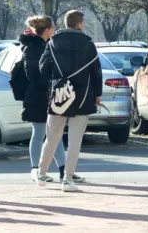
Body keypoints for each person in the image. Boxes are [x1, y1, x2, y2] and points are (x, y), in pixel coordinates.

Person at [33, 10, 102, 192]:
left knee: (52, 137)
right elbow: (96, 72)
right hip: (83, 96)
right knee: (75, 140)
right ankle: (68, 179)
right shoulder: (88, 44)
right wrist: (98, 94)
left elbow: (43, 68)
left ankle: (41, 173)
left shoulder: (53, 42)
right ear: (80, 24)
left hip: (59, 95)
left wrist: (56, 80)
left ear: (66, 23)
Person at [20, 15, 85, 184]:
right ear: (47, 29)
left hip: (49, 95)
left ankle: (64, 169)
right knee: (40, 132)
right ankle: (36, 169)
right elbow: (34, 75)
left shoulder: (46, 44)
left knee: (54, 133)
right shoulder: (32, 47)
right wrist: (51, 83)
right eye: (53, 27)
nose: (55, 29)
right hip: (37, 97)